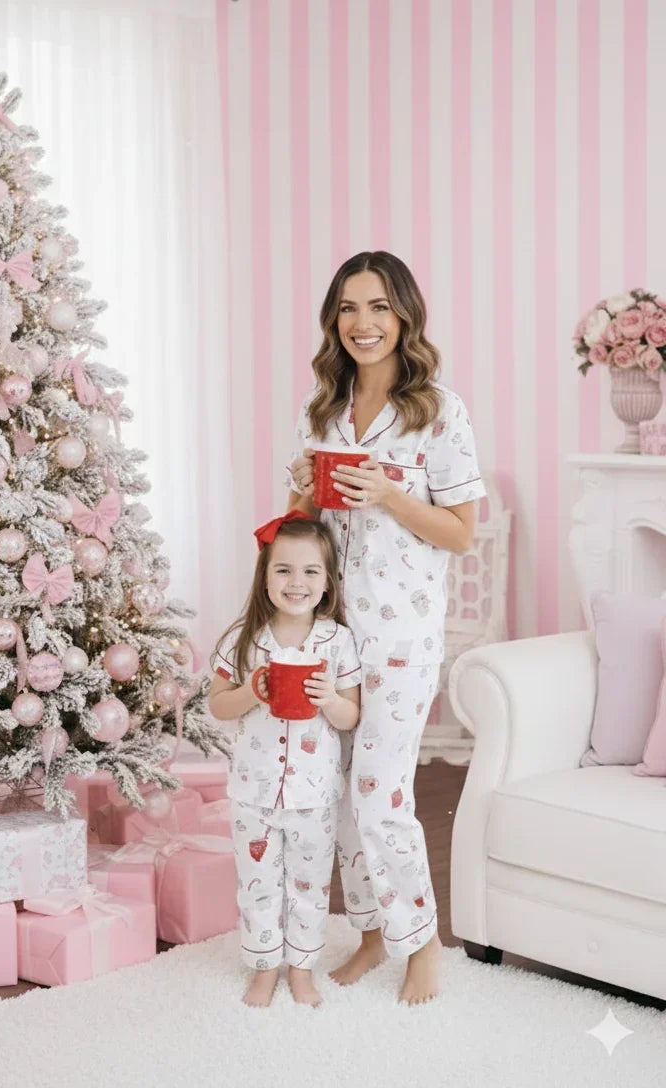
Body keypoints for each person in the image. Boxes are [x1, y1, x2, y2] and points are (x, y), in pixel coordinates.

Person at [286, 250, 485, 1005]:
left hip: (402, 637)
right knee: (335, 793)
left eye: (376, 307)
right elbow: (314, 531)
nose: (362, 323)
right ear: (334, 322)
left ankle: (422, 941)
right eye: (347, 308)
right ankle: (371, 933)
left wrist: (390, 495)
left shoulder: (439, 409)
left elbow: (463, 532)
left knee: (380, 793)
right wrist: (307, 497)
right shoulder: (323, 411)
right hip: (333, 631)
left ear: (403, 314)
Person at [208, 513, 361, 1008]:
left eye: (311, 572)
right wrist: (251, 691)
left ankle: (301, 967)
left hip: (313, 795)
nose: (297, 582)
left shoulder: (337, 641)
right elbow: (216, 705)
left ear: (328, 581)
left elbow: (350, 715)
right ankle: (263, 966)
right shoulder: (243, 639)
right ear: (265, 575)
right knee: (257, 885)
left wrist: (328, 700)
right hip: (252, 791)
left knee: (308, 885)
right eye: (284, 570)